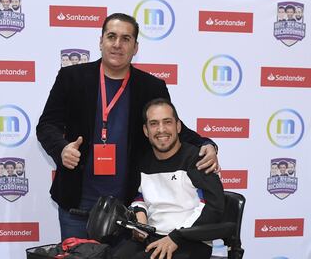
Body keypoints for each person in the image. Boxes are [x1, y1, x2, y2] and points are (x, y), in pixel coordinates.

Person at [36, 13, 220, 241]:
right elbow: (47, 125)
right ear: (100, 41)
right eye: (111, 36)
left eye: (125, 39)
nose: (117, 44)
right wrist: (62, 148)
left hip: (128, 210)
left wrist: (207, 144)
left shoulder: (151, 86)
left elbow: (171, 129)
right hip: (76, 205)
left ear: (135, 47)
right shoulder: (71, 78)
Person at [113, 99, 224, 259]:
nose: (161, 129)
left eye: (167, 122)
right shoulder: (143, 161)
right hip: (154, 236)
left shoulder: (198, 158)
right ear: (146, 130)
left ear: (178, 126)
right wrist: (140, 216)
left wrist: (176, 237)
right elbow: (141, 196)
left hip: (191, 240)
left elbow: (214, 206)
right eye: (154, 124)